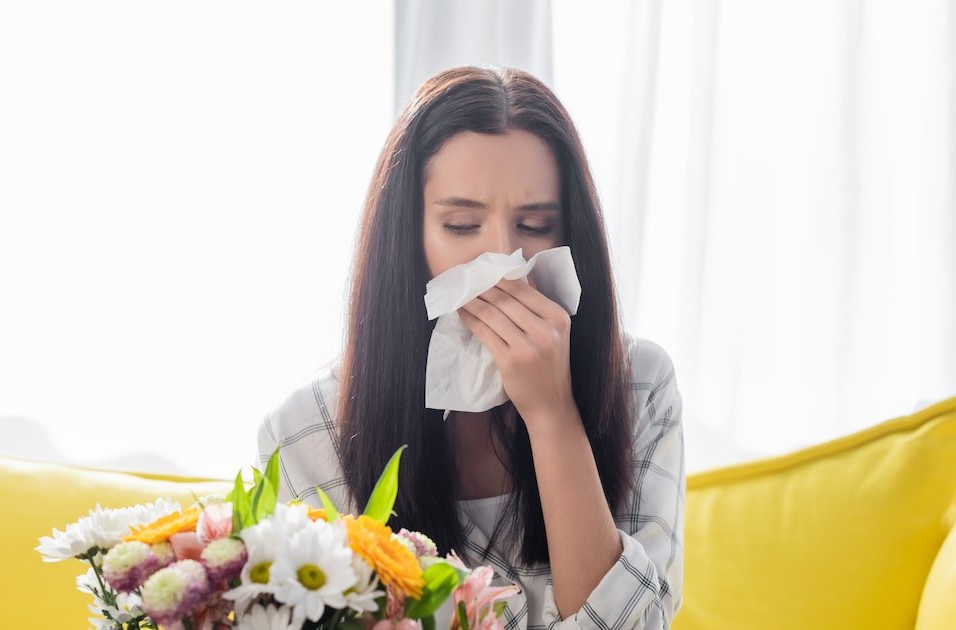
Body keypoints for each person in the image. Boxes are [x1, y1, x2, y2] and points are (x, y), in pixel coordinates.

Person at [252, 65, 685, 630]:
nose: (501, 262)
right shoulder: (307, 431)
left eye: (535, 224)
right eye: (461, 225)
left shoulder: (639, 387)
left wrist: (554, 416)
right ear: (409, 239)